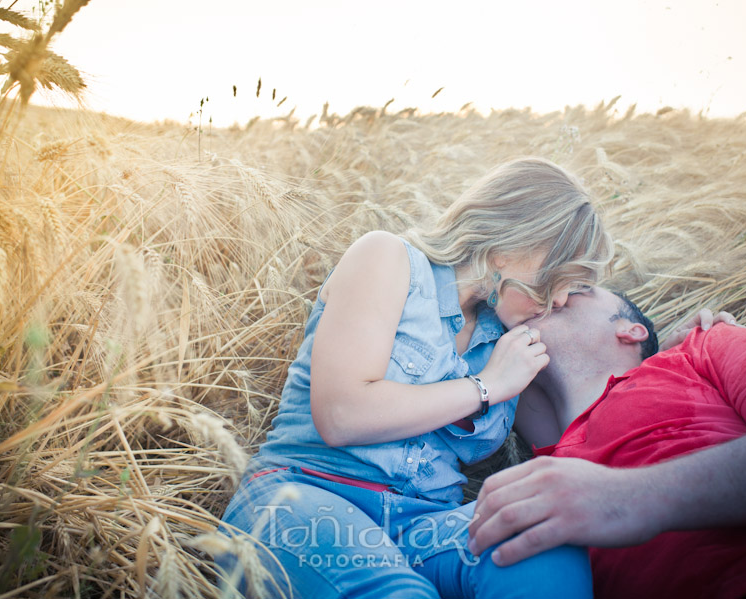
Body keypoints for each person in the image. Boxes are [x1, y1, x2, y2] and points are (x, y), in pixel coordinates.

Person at [219, 157, 613, 598]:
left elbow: (581, 436)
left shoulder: (507, 337)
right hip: (306, 498)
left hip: (424, 528)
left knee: (544, 546)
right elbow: (341, 414)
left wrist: (686, 353)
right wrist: (486, 387)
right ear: (516, 245)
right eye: (564, 278)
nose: (560, 299)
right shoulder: (387, 258)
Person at [468, 286, 746, 599]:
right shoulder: (548, 455)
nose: (553, 295)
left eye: (578, 289)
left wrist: (630, 497)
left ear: (631, 331)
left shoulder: (701, 346)